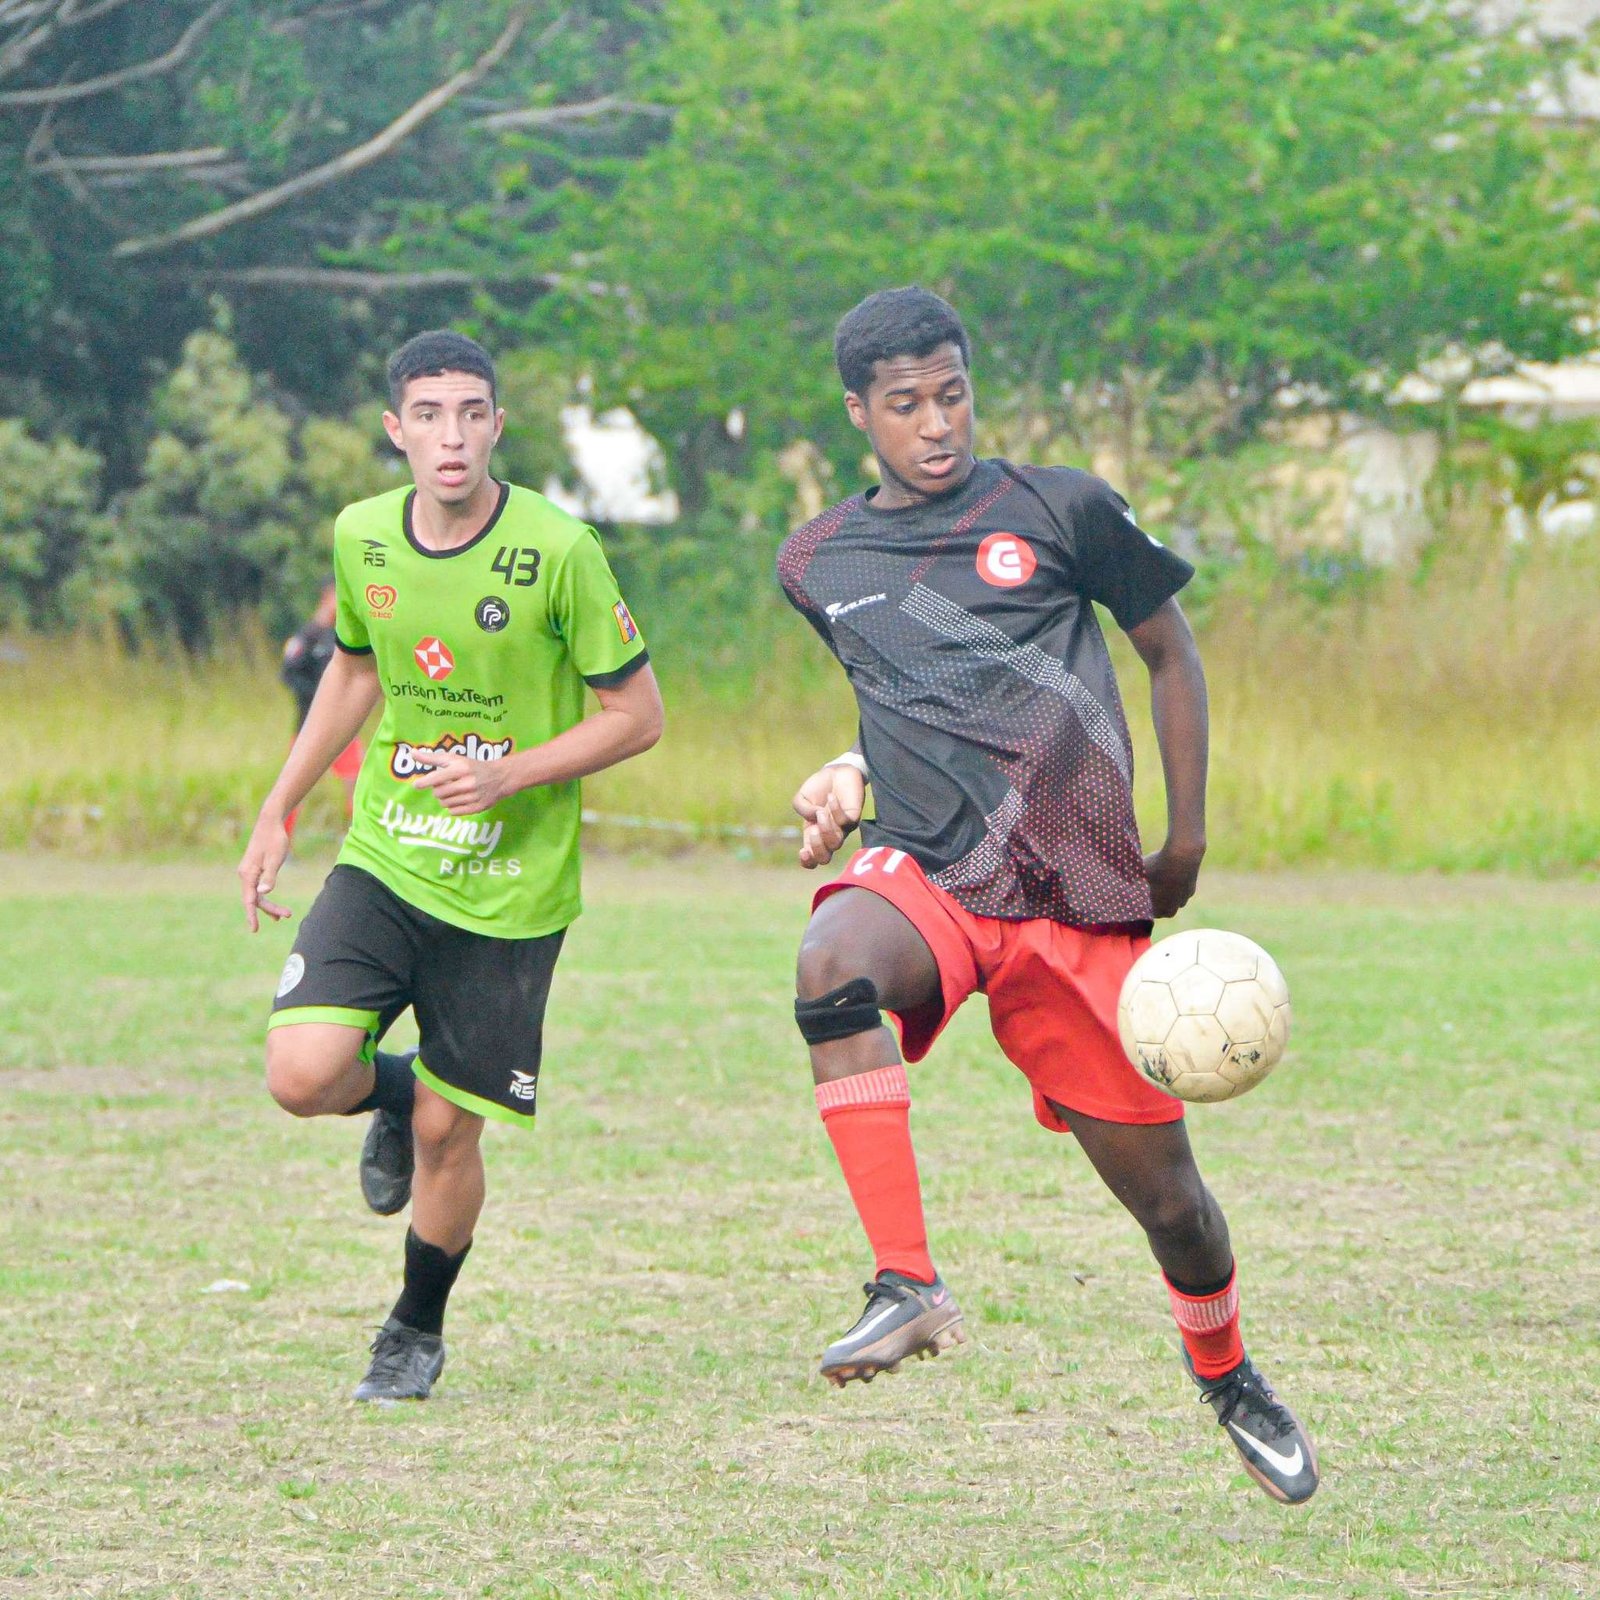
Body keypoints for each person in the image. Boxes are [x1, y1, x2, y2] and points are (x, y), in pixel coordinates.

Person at [776, 287, 1317, 1504]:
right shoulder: (816, 561)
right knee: (831, 964)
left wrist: (1183, 835)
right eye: (904, 404)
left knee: (1174, 1209)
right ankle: (905, 1282)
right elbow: (905, 693)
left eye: (951, 393)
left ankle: (1227, 1372)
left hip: (1078, 898)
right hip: (933, 872)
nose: (935, 423)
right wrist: (849, 769)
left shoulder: (1058, 507)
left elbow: (1169, 648)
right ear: (858, 412)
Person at [236, 330, 663, 1402]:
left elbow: (638, 716)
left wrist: (512, 773)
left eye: (471, 412)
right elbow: (353, 673)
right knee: (300, 1074)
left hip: (510, 893)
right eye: (428, 415)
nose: (451, 436)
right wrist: (279, 805)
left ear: (497, 426)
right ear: (397, 431)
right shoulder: (362, 538)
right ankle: (392, 1089)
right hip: (388, 852)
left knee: (445, 1129)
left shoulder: (558, 550)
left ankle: (412, 1329)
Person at [279, 578, 364, 841]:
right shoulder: (308, 635)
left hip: (340, 728)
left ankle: (358, 838)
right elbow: (287, 674)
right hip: (307, 727)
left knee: (357, 781)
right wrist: (317, 698)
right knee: (293, 789)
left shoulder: (342, 635)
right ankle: (282, 841)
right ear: (326, 597)